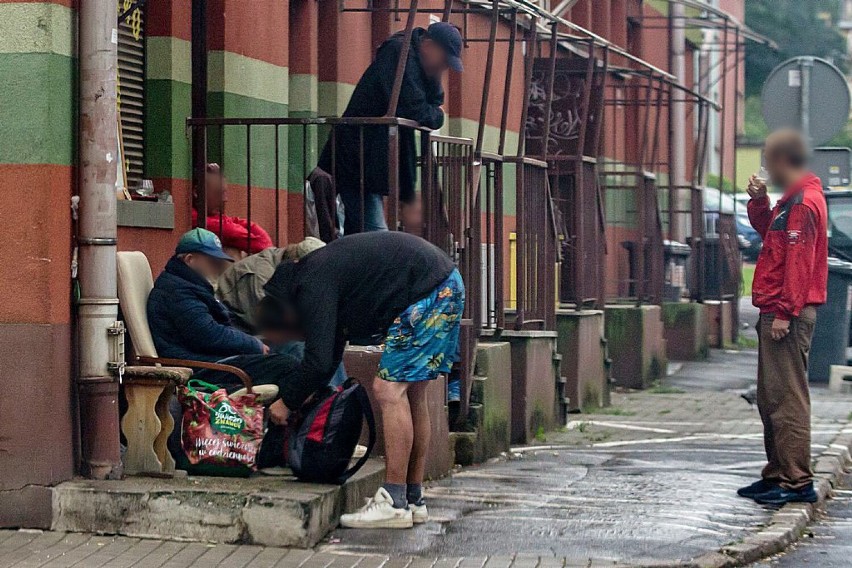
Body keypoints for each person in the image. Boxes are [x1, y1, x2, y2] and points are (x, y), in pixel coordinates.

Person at [259, 232, 464, 528]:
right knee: (413, 394)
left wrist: (285, 402)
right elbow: (329, 356)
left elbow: (316, 362)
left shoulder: (310, 285)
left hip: (427, 291)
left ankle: (393, 501)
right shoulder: (322, 275)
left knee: (388, 389)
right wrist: (304, 392)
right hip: (443, 284)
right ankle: (412, 497)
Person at [738, 129, 828, 506]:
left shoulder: (804, 203)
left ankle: (796, 481)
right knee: (771, 397)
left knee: (787, 398)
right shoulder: (791, 202)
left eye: (768, 161)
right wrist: (759, 203)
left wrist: (785, 314)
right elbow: (772, 241)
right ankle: (777, 473)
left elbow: (798, 264)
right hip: (777, 309)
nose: (765, 170)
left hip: (786, 312)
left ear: (782, 161)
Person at [317, 22, 463, 235]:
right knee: (375, 234)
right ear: (428, 45)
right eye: (443, 61)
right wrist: (434, 113)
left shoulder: (415, 59)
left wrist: (433, 109)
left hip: (368, 157)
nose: (443, 68)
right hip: (358, 156)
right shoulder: (399, 53)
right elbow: (415, 107)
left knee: (363, 232)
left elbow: (434, 101)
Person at [147, 228, 292, 425]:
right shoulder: (177, 292)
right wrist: (253, 345)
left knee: (291, 350)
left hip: (211, 359)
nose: (217, 267)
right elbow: (207, 334)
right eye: (212, 261)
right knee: (287, 367)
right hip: (201, 366)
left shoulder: (188, 285)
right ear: (190, 259)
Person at [216, 236, 348, 388]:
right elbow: (269, 323)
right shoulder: (260, 276)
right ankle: (326, 398)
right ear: (299, 263)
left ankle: (337, 395)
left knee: (326, 342)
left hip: (266, 330)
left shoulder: (287, 267)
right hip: (247, 334)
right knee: (303, 346)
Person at [193, 163, 274, 257]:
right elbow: (261, 244)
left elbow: (236, 222)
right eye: (218, 193)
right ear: (196, 192)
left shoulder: (211, 215)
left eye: (224, 193)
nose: (224, 199)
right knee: (232, 251)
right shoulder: (194, 218)